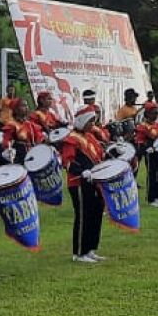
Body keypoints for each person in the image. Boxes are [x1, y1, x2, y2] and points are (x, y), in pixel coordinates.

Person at [61, 106, 107, 263]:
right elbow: (66, 161)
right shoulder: (71, 138)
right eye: (89, 121)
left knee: (96, 213)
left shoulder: (91, 137)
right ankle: (79, 252)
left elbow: (100, 155)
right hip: (79, 182)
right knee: (83, 215)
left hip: (94, 181)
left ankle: (90, 248)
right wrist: (81, 172)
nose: (92, 124)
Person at [134, 101, 158, 208]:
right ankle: (151, 199)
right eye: (154, 113)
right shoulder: (142, 127)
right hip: (150, 154)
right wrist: (146, 148)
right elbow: (139, 142)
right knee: (152, 176)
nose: (156, 115)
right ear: (147, 114)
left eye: (156, 113)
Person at [0, 97, 44, 164]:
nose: (27, 107)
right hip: (20, 159)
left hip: (34, 156)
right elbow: (6, 143)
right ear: (16, 109)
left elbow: (39, 137)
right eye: (23, 105)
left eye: (26, 105)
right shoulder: (11, 125)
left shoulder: (30, 124)